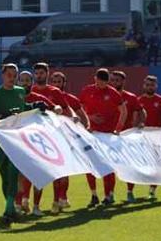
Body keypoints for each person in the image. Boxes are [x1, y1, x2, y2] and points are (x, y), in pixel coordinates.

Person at [0, 63, 46, 225]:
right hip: (1, 141)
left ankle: (9, 209)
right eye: (9, 75)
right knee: (4, 174)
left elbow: (22, 108)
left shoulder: (20, 92)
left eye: (14, 75)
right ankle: (10, 205)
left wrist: (34, 106)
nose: (12, 78)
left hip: (18, 140)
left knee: (14, 171)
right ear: (2, 75)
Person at [79, 68, 127, 208]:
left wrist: (118, 128)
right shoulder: (87, 91)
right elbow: (79, 108)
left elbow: (123, 110)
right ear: (95, 79)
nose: (102, 86)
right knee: (90, 165)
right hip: (91, 134)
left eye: (104, 84)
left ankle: (109, 194)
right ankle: (94, 195)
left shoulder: (113, 93)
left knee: (108, 166)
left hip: (107, 135)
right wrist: (89, 118)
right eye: (99, 83)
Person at [31, 62, 73, 214]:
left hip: (54, 137)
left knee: (57, 169)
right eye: (36, 73)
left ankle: (57, 201)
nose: (39, 76)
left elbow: (67, 110)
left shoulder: (55, 92)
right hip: (35, 138)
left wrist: (73, 122)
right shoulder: (30, 91)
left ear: (47, 74)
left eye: (42, 73)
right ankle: (29, 204)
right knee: (36, 171)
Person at [15, 70, 58, 217]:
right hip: (19, 143)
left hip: (37, 143)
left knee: (39, 175)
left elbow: (55, 108)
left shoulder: (39, 98)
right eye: (22, 80)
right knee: (20, 176)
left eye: (28, 80)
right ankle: (19, 205)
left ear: (32, 82)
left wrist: (57, 108)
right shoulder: (14, 97)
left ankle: (36, 207)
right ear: (18, 82)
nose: (25, 82)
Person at [50, 71, 91, 207]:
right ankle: (57, 199)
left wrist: (86, 128)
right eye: (54, 81)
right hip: (51, 139)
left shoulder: (71, 99)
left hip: (67, 139)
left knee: (65, 170)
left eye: (59, 81)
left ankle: (62, 197)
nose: (56, 84)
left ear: (64, 83)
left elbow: (82, 115)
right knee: (55, 171)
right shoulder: (46, 98)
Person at [137, 75, 161, 201]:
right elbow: (134, 117)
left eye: (152, 85)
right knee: (143, 164)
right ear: (144, 85)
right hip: (142, 138)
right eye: (147, 85)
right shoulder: (139, 100)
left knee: (156, 165)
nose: (150, 87)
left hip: (157, 138)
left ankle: (152, 190)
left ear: (156, 86)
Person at [109, 70, 146, 203]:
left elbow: (142, 112)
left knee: (129, 165)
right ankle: (110, 194)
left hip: (126, 136)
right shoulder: (105, 95)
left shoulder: (130, 97)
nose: (114, 83)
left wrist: (140, 123)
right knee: (110, 167)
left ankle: (130, 192)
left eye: (117, 80)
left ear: (123, 82)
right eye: (112, 80)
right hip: (109, 136)